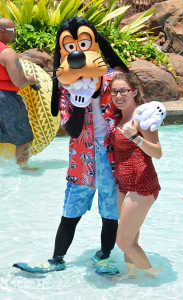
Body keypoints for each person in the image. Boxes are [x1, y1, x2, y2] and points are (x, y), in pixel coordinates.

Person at [13, 17, 166, 275]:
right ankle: (56, 259)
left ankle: (104, 256)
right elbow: (71, 129)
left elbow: (134, 101)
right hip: (81, 161)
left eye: (84, 45)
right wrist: (80, 103)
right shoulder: (65, 88)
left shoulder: (112, 81)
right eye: (71, 48)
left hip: (112, 160)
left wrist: (155, 111)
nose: (78, 55)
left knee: (109, 213)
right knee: (70, 213)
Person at [108, 71, 162, 279]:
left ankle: (154, 275)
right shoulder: (120, 117)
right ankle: (131, 273)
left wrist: (136, 138)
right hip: (124, 184)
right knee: (131, 238)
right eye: (115, 92)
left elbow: (157, 153)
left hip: (142, 184)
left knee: (122, 241)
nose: (119, 96)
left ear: (134, 92)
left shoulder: (143, 118)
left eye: (123, 91)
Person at [0, 18, 38, 170]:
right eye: (13, 30)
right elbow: (19, 82)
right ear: (1, 31)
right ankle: (24, 169)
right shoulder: (7, 53)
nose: (15, 34)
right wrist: (30, 80)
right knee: (23, 136)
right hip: (6, 100)